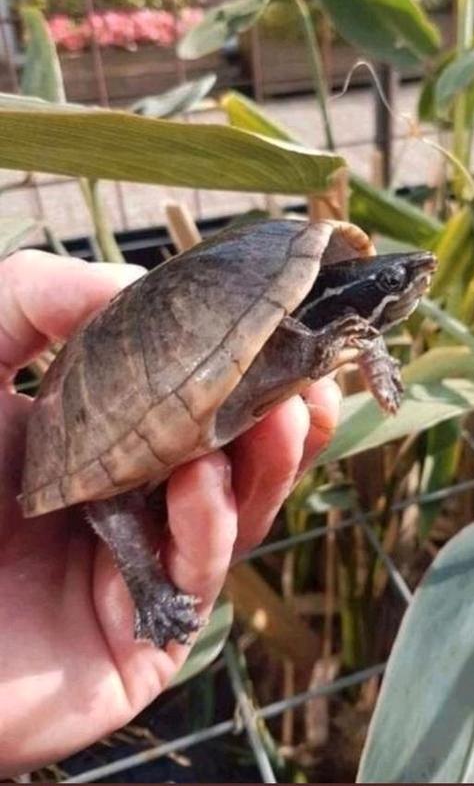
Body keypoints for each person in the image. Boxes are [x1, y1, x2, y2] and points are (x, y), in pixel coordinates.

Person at [0, 250, 341, 776]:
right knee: (114, 496)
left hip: (146, 434)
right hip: (101, 431)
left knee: (193, 487)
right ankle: (149, 595)